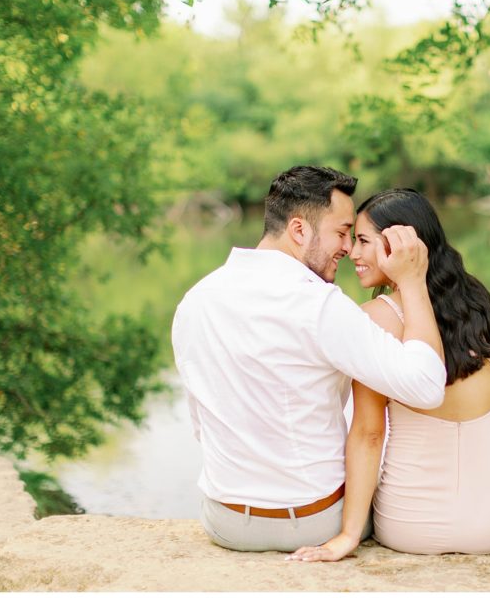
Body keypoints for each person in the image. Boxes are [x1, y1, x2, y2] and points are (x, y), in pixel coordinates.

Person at [171, 167, 447, 553]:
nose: (349, 248)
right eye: (341, 232)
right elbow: (427, 385)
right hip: (314, 523)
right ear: (299, 230)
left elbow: (202, 424)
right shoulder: (320, 305)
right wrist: (414, 281)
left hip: (226, 523)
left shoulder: (194, 302)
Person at [290, 188, 490, 561]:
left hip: (413, 523)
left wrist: (348, 535)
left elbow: (369, 434)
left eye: (364, 241)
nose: (353, 252)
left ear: (400, 246)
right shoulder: (476, 302)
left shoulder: (375, 318)